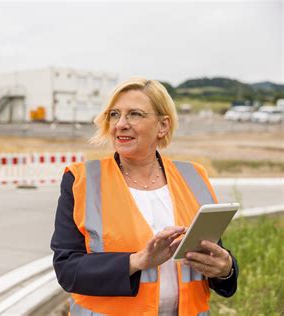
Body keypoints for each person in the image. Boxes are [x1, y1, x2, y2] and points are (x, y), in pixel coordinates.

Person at [51, 78, 238, 316]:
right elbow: (67, 270)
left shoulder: (194, 177)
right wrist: (136, 261)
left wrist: (226, 269)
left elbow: (212, 255)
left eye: (135, 114)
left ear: (163, 125)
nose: (120, 124)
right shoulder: (81, 180)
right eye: (114, 114)